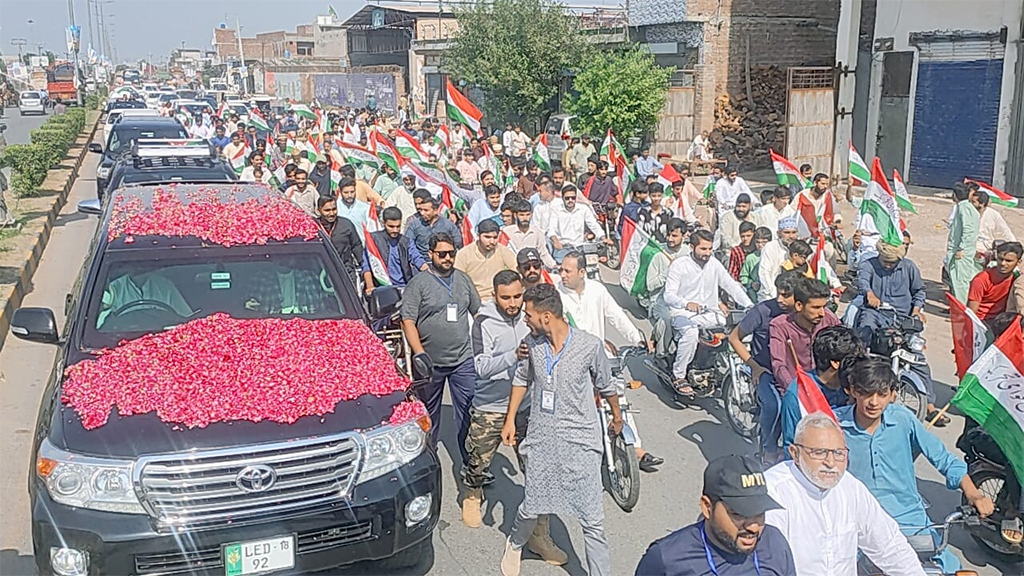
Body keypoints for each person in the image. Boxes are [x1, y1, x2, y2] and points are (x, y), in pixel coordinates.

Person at [499, 283, 620, 576]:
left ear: (546, 316)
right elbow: (521, 380)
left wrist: (617, 416)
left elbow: (606, 384)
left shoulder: (590, 346)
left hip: (581, 440)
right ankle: (515, 544)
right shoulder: (532, 344)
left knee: (592, 519)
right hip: (542, 438)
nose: (524, 318)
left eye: (529, 314)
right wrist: (510, 418)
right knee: (532, 505)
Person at [836, 357, 995, 573]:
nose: (873, 402)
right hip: (859, 525)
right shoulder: (834, 426)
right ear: (853, 391)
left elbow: (943, 458)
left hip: (911, 520)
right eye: (866, 393)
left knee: (952, 569)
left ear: (893, 395)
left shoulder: (903, 420)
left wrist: (974, 494)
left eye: (882, 394)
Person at [461, 272, 569, 563]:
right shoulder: (483, 322)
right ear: (494, 295)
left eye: (517, 297)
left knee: (539, 472)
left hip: (527, 407)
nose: (512, 304)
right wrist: (513, 355)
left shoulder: (531, 318)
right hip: (491, 407)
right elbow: (481, 367)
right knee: (479, 459)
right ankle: (473, 494)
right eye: (505, 297)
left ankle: (539, 535)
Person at [765, 413, 926, 576]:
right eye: (819, 452)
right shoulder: (774, 492)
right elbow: (768, 563)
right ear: (795, 453)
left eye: (838, 453)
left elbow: (889, 545)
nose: (830, 462)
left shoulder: (850, 487)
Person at [635, 454, 796, 576]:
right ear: (707, 507)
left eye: (759, 513)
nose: (753, 527)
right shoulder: (666, 559)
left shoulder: (775, 543)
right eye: (739, 514)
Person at [401, 232, 481, 464]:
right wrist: (419, 353)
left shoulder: (463, 279)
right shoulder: (418, 284)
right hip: (430, 362)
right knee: (429, 414)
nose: (447, 258)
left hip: (463, 359)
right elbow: (408, 320)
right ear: (431, 254)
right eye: (442, 254)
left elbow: (478, 313)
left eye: (451, 253)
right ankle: (428, 460)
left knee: (469, 410)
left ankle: (472, 462)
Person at [854, 240, 944, 423]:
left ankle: (930, 406)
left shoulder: (909, 267)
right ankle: (852, 391)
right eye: (885, 261)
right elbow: (862, 281)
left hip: (902, 319)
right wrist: (869, 294)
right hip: (876, 313)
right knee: (862, 342)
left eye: (892, 262)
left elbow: (919, 292)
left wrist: (917, 310)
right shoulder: (868, 265)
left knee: (918, 359)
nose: (888, 265)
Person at [664, 230, 754, 395]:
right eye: (703, 249)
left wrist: (749, 305)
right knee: (691, 334)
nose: (707, 253)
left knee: (734, 331)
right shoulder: (679, 265)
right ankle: (679, 375)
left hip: (711, 314)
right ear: (692, 247)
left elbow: (731, 285)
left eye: (710, 249)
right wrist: (686, 304)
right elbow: (668, 295)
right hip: (683, 314)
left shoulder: (714, 263)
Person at [728, 271, 801, 462]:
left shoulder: (803, 314)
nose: (780, 299)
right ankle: (767, 449)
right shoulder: (762, 311)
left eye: (786, 295)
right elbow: (734, 338)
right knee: (774, 406)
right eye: (778, 293)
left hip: (795, 373)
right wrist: (754, 366)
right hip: (765, 371)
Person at [779, 326, 863, 452]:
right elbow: (791, 444)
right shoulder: (797, 395)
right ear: (835, 363)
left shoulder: (856, 385)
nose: (860, 366)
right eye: (854, 360)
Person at [769, 277, 839, 405]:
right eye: (816, 307)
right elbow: (778, 365)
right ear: (799, 306)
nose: (822, 313)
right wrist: (795, 390)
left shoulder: (829, 319)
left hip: (828, 390)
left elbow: (845, 345)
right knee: (773, 409)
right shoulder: (779, 326)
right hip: (794, 391)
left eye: (824, 306)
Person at [362, 207, 428, 293]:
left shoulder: (406, 242)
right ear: (384, 223)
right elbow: (366, 266)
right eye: (391, 226)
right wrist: (370, 286)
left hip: (404, 287)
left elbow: (418, 259)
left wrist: (429, 272)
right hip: (382, 288)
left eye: (398, 226)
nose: (395, 230)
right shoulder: (373, 240)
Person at [455, 219, 518, 301]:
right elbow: (458, 281)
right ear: (478, 236)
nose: (492, 241)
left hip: (498, 299)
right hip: (473, 299)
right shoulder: (463, 254)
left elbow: (516, 273)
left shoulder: (503, 251)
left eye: (495, 237)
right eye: (487, 237)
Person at [968, 241, 1023, 320]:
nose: (1003, 263)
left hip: (1003, 319)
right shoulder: (981, 279)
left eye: (1008, 261)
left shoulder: (1017, 279)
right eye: (1000, 259)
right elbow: (971, 313)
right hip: (981, 321)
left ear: (1018, 262)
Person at [946, 182, 982, 302]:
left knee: (960, 281)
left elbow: (968, 230)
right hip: (962, 249)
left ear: (955, 195)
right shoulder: (965, 207)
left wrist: (961, 248)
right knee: (958, 279)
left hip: (961, 251)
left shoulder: (964, 207)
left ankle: (962, 310)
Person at [549, 187, 606, 261]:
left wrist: (603, 237)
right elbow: (551, 229)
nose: (570, 200)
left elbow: (593, 224)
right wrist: (556, 242)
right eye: (567, 198)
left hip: (580, 247)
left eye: (573, 198)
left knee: (592, 268)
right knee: (563, 270)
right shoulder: (556, 210)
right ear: (562, 198)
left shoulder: (583, 209)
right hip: (563, 248)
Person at [317, 196, 362, 280]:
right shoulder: (314, 227)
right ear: (318, 211)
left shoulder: (346, 225)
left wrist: (363, 267)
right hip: (321, 272)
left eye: (334, 209)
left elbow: (357, 246)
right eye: (327, 210)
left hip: (345, 269)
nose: (331, 213)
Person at [502, 200, 557, 269]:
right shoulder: (507, 232)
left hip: (532, 268)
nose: (525, 218)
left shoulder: (538, 233)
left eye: (527, 215)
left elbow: (543, 253)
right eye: (521, 215)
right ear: (515, 215)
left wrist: (554, 266)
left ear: (531, 215)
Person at [406, 190, 462, 254]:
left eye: (426, 210)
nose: (422, 213)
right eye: (421, 210)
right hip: (422, 260)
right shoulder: (414, 224)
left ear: (435, 211)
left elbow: (457, 242)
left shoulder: (447, 224)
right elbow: (408, 244)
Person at [758, 217, 799, 301]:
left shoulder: (799, 247)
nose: (791, 236)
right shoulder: (770, 247)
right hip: (770, 295)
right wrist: (775, 293)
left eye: (794, 232)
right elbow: (764, 273)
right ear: (778, 234)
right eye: (787, 233)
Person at [973, 190, 1017, 261]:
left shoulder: (993, 214)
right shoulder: (967, 213)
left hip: (986, 249)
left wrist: (1015, 248)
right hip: (970, 248)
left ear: (982, 204)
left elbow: (1005, 231)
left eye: (974, 202)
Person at [740, 227, 773, 302]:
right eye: (757, 242)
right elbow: (743, 276)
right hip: (755, 292)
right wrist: (751, 283)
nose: (760, 245)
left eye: (764, 242)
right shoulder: (751, 258)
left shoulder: (774, 257)